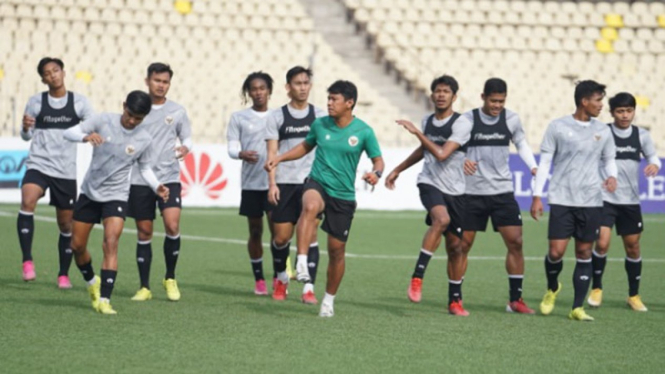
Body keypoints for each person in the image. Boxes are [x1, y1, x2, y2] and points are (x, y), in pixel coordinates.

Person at [265, 80, 383, 317]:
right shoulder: (320, 125)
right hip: (317, 182)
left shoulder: (364, 131)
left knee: (337, 251)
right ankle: (301, 261)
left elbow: (378, 159)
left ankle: (329, 299)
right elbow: (305, 147)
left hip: (343, 195)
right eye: (328, 98)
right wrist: (279, 158)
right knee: (309, 206)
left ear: (349, 103)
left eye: (334, 99)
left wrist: (376, 173)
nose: (329, 103)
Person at [63, 90, 169, 315]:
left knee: (111, 242)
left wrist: (156, 186)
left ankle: (105, 300)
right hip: (90, 193)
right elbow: (69, 132)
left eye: (138, 119)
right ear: (124, 106)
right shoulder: (103, 120)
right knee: (77, 246)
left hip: (117, 196)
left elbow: (145, 167)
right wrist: (85, 137)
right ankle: (92, 282)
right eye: (130, 115)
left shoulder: (144, 139)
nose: (132, 121)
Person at [384, 75, 472, 316]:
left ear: (454, 97)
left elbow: (443, 153)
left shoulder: (461, 123)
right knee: (441, 220)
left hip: (456, 190)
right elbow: (425, 151)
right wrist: (398, 169)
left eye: (446, 91)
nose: (441, 95)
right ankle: (417, 277)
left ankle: (455, 301)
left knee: (456, 248)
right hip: (429, 182)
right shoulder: (427, 121)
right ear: (432, 95)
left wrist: (417, 133)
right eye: (437, 91)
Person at [531, 80, 617, 321]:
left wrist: (612, 176)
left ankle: (577, 307)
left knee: (584, 252)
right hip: (561, 198)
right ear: (584, 101)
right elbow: (545, 162)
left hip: (591, 200)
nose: (602, 105)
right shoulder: (558, 127)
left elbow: (609, 159)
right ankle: (552, 288)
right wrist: (537, 195)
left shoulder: (603, 130)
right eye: (598, 100)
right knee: (556, 252)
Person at [460, 78, 537, 314]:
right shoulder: (467, 120)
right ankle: (455, 298)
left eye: (501, 101)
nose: (497, 106)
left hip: (502, 191)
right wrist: (463, 159)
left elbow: (521, 144)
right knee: (462, 246)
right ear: (483, 97)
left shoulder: (511, 119)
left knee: (516, 242)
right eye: (493, 101)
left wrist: (533, 167)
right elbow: (453, 147)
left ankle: (515, 300)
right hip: (472, 192)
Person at [17, 57, 94, 287]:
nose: (53, 75)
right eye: (48, 73)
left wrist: (87, 136)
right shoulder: (36, 102)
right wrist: (24, 128)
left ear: (63, 72)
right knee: (27, 199)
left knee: (66, 225)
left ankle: (63, 274)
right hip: (39, 164)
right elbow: (26, 136)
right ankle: (27, 261)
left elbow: (90, 128)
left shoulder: (80, 103)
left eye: (56, 70)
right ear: (43, 79)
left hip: (65, 170)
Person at [587, 92, 661, 312]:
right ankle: (597, 289)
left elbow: (653, 157)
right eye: (620, 111)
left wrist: (654, 165)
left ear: (634, 112)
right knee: (601, 243)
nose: (625, 115)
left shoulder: (642, 135)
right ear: (612, 113)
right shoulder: (603, 133)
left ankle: (633, 295)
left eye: (629, 111)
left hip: (630, 201)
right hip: (604, 199)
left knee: (633, 247)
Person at [127, 63, 193, 302]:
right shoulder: (137, 108)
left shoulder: (177, 111)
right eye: (157, 80)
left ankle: (170, 277)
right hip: (139, 178)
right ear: (147, 81)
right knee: (144, 231)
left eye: (165, 82)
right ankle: (144, 286)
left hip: (169, 176)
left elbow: (186, 136)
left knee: (172, 225)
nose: (161, 85)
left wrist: (187, 146)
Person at [265, 66, 327, 304]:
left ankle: (308, 287)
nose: (302, 88)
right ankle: (281, 277)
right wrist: (272, 183)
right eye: (297, 83)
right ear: (288, 87)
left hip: (311, 184)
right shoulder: (277, 116)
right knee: (281, 238)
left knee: (310, 236)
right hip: (284, 183)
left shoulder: (320, 116)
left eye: (306, 83)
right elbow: (272, 151)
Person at [227, 72, 278, 295]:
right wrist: (240, 154)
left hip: (275, 182)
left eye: (262, 88)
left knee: (279, 233)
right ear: (248, 92)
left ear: (269, 91)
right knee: (255, 231)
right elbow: (230, 147)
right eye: (254, 89)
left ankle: (279, 276)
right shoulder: (239, 118)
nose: (258, 92)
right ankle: (259, 279)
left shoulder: (279, 116)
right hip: (251, 184)